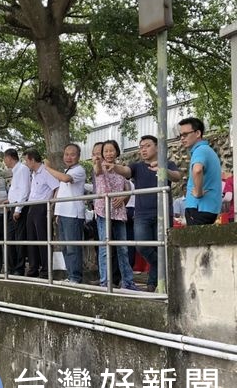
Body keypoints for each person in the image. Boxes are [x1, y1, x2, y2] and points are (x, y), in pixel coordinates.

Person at [109, 135, 181, 292]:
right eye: (141, 146)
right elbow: (126, 171)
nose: (143, 149)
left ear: (157, 147)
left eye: (147, 145)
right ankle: (161, 265)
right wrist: (114, 167)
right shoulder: (137, 166)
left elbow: (177, 177)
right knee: (142, 246)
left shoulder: (168, 164)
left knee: (162, 247)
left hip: (163, 212)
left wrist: (163, 170)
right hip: (142, 214)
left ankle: (152, 283)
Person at [93, 140, 140, 291]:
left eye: (111, 150)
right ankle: (104, 281)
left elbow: (127, 187)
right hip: (103, 209)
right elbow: (97, 171)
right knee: (104, 247)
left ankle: (128, 282)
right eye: (105, 151)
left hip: (119, 210)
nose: (109, 153)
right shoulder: (100, 165)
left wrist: (123, 197)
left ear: (117, 151)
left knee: (123, 248)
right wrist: (98, 162)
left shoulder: (121, 168)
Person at [52, 143, 86, 284]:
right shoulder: (67, 170)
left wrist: (46, 168)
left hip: (73, 214)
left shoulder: (79, 170)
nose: (69, 157)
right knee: (65, 247)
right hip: (63, 214)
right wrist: (56, 213)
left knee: (73, 247)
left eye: (72, 154)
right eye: (66, 154)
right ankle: (70, 275)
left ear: (78, 156)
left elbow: (66, 179)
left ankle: (76, 277)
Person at [23, 148, 59, 279]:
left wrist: (52, 205)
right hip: (32, 205)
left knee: (42, 238)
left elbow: (56, 187)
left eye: (27, 160)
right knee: (31, 238)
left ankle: (45, 269)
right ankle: (33, 267)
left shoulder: (45, 172)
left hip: (42, 206)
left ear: (32, 160)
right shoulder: (33, 173)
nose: (26, 163)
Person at [179, 117, 222, 226]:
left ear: (198, 133)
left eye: (185, 134)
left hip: (199, 207)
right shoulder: (207, 150)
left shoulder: (200, 150)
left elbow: (197, 170)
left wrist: (198, 192)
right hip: (207, 208)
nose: (182, 138)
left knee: (194, 242)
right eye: (180, 135)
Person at [3, 148, 31, 275]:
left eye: (5, 158)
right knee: (10, 238)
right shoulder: (16, 171)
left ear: (9, 158)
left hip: (19, 207)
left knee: (19, 238)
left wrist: (18, 209)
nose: (4, 161)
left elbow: (25, 190)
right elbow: (17, 191)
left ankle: (19, 268)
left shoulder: (22, 169)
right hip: (12, 206)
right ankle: (11, 266)